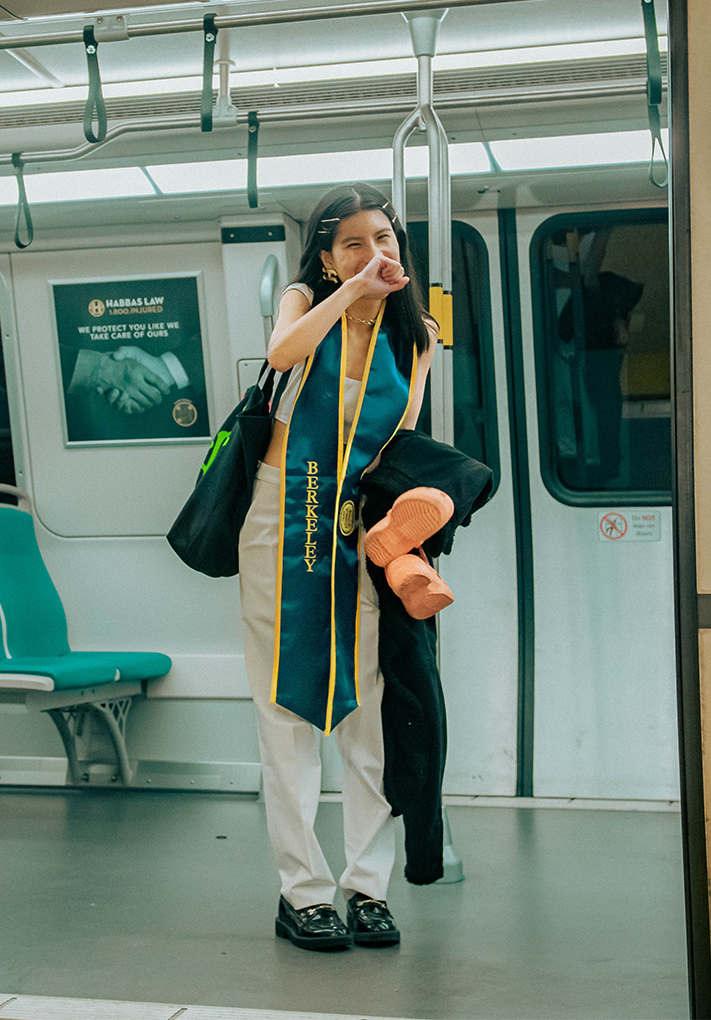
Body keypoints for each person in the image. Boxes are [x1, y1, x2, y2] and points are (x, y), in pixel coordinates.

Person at [240, 182, 438, 953]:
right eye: (352, 243)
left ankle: (366, 887)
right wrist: (350, 294)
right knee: (284, 713)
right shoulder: (305, 302)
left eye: (382, 239)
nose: (373, 253)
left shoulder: (415, 335)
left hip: (358, 529)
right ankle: (303, 891)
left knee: (366, 711)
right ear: (326, 258)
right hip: (280, 526)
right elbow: (282, 353)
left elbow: (400, 444)